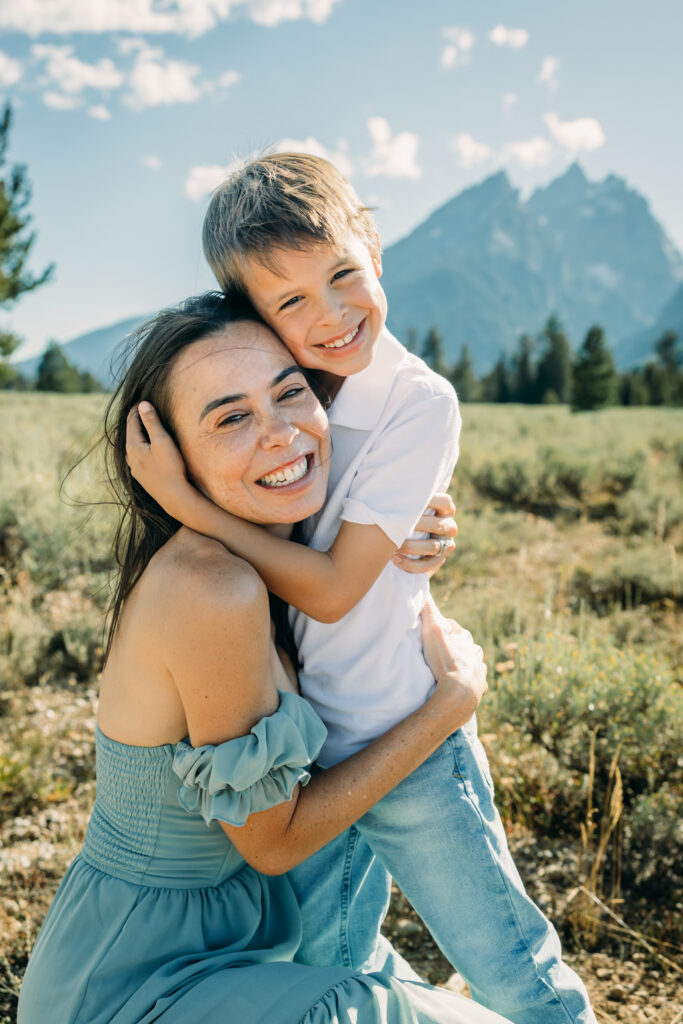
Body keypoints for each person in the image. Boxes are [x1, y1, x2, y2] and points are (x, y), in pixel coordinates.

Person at [126, 154, 596, 1024]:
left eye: (342, 273)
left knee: (507, 961)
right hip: (304, 754)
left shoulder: (415, 400)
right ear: (252, 314)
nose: (330, 315)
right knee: (326, 963)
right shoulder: (282, 388)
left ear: (374, 245)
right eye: (289, 301)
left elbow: (337, 590)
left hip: (402, 738)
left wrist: (186, 503)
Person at [18, 294, 511, 1024]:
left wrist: (409, 525)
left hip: (239, 951)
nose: (282, 434)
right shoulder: (210, 589)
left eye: (289, 392)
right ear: (171, 462)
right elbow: (274, 843)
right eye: (231, 418)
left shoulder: (279, 549)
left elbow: (344, 588)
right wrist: (449, 705)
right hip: (138, 984)